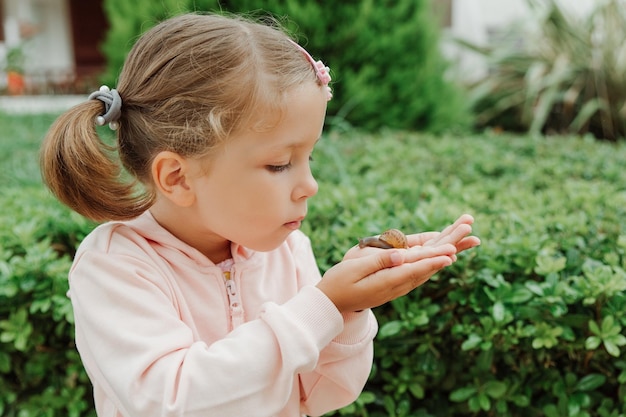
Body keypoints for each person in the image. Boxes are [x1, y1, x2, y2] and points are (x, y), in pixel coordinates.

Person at [40, 13, 480, 417]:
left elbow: (321, 394)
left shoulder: (288, 251)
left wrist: (348, 310)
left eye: (309, 157)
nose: (310, 185)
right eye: (279, 164)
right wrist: (322, 305)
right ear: (177, 177)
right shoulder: (117, 268)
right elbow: (171, 400)